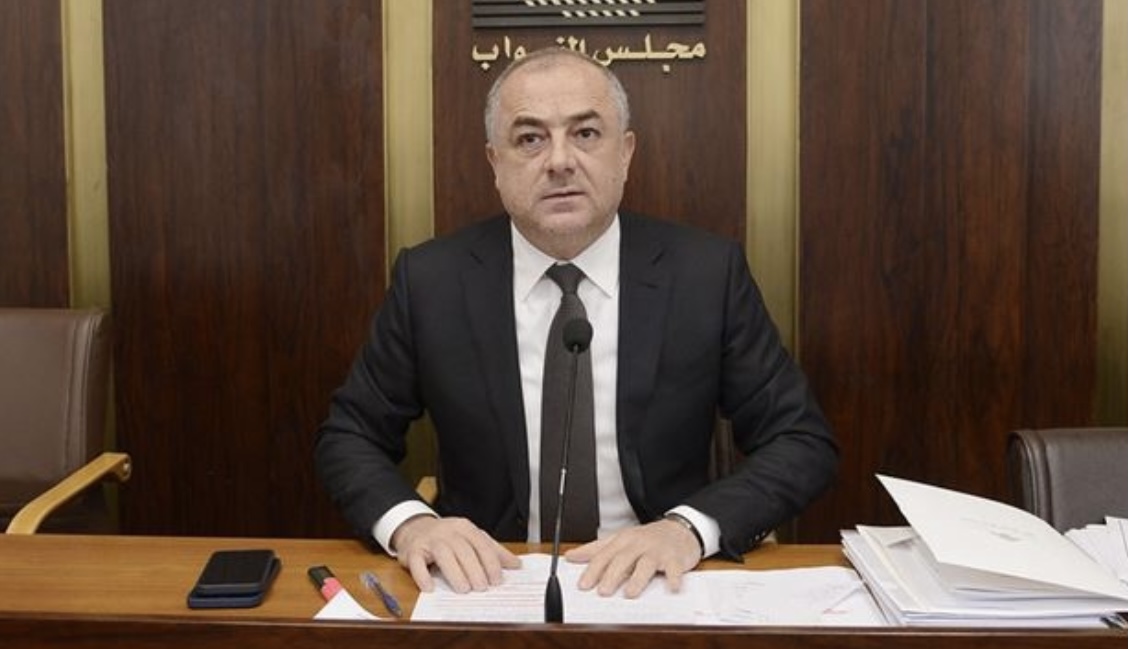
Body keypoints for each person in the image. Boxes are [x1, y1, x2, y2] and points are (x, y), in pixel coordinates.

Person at [315, 47, 838, 599]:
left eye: (585, 134)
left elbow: (800, 439)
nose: (559, 161)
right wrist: (412, 525)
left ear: (625, 153)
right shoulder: (431, 282)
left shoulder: (705, 275)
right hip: (489, 584)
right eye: (530, 139)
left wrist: (688, 529)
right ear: (495, 163)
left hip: (658, 585)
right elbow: (349, 435)